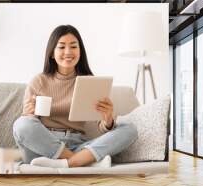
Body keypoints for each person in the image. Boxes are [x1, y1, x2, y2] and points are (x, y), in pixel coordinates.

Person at [13, 25, 138, 168]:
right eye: (61, 47)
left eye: (73, 46)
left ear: (80, 51)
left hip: (77, 144)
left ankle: (69, 163)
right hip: (44, 148)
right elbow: (28, 126)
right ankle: (79, 161)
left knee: (129, 129)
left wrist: (108, 119)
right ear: (52, 53)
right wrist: (28, 114)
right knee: (21, 124)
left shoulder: (89, 81)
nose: (68, 52)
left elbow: (101, 126)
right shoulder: (39, 81)